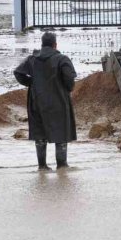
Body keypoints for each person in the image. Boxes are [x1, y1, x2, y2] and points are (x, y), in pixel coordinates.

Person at [14, 31, 77, 170]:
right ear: (55, 45)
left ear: (42, 45)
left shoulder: (32, 59)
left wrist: (31, 82)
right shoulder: (62, 59)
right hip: (58, 101)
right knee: (61, 133)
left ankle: (42, 166)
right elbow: (69, 81)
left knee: (39, 133)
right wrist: (67, 88)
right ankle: (62, 166)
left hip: (37, 101)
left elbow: (18, 72)